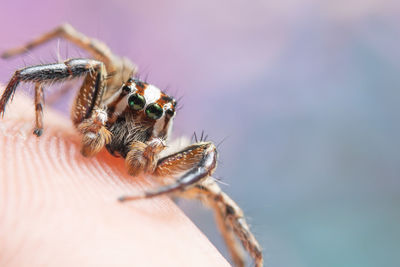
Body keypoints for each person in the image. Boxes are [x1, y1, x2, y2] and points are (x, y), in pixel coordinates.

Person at [0, 92, 228, 266]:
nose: (135, 121)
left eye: (152, 114)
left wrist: (172, 187)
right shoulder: (98, 109)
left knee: (221, 201)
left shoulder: (163, 158)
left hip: (154, 160)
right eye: (133, 103)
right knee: (96, 63)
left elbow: (206, 158)